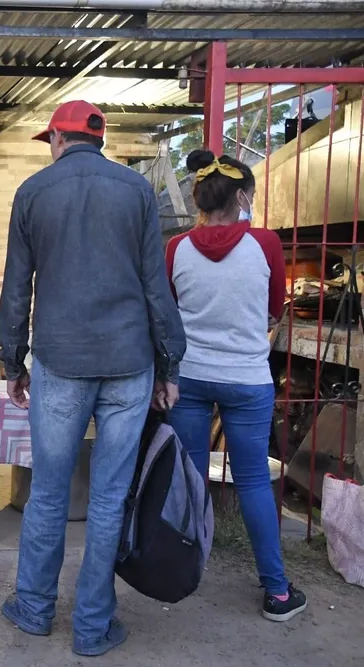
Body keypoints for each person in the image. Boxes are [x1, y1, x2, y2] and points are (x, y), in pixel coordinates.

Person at [0, 100, 187, 658]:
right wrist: (168, 363)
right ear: (97, 139)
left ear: (58, 138)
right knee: (108, 499)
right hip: (130, 362)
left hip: (59, 360)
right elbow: (157, 285)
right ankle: (93, 626)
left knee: (50, 495)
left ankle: (33, 609)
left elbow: (16, 287)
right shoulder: (137, 192)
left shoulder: (32, 192)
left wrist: (13, 360)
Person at [165, 150, 307, 622]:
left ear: (201, 198)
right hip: (247, 378)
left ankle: (179, 571)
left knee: (189, 477)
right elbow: (273, 309)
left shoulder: (176, 248)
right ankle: (277, 591)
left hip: (190, 376)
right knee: (251, 484)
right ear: (242, 195)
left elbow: (168, 315)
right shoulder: (265, 244)